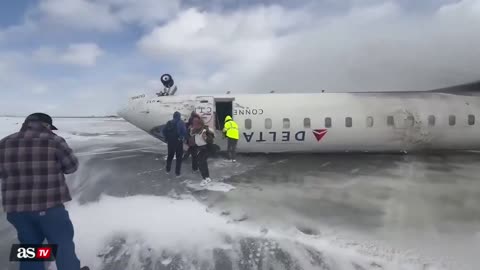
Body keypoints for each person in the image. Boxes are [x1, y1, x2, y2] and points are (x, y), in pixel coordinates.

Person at [0, 113, 89, 270]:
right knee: (62, 244)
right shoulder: (54, 141)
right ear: (46, 125)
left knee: (30, 247)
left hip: (17, 211)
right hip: (49, 207)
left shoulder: (5, 142)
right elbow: (71, 167)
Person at [190, 116, 215, 186]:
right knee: (203, 163)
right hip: (200, 148)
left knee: (201, 163)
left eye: (196, 125)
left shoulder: (204, 131)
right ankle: (207, 178)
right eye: (194, 124)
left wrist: (206, 138)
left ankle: (204, 179)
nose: (194, 126)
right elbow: (192, 134)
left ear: (200, 125)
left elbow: (210, 140)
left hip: (205, 149)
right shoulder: (196, 131)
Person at [162, 111, 187, 177]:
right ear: (179, 116)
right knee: (179, 158)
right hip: (178, 142)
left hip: (170, 142)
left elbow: (164, 131)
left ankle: (167, 170)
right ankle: (177, 173)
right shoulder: (181, 123)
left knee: (170, 156)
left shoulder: (169, 122)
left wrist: (167, 138)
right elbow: (184, 132)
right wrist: (182, 137)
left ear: (173, 116)